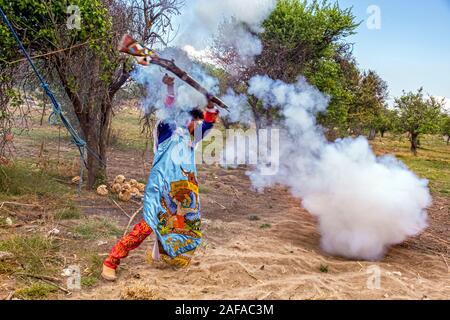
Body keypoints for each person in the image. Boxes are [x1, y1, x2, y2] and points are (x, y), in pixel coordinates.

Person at [102, 74, 219, 281]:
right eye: (194, 120)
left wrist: (210, 105)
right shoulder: (167, 128)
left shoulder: (192, 138)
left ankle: (166, 257)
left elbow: (209, 124)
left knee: (182, 223)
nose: (196, 125)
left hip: (183, 188)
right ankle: (111, 261)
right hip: (160, 186)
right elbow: (170, 106)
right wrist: (171, 87)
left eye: (197, 122)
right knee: (148, 224)